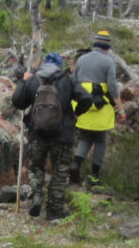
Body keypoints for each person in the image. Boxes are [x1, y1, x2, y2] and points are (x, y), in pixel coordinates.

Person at [12, 52, 93, 221]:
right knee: (60, 170)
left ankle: (36, 196)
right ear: (60, 66)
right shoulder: (68, 79)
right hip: (62, 134)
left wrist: (23, 81)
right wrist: (76, 114)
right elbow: (86, 98)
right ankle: (54, 209)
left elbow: (18, 101)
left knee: (36, 168)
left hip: (37, 133)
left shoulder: (33, 79)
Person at [71, 30, 125, 186]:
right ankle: (94, 176)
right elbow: (112, 87)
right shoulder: (108, 62)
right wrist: (120, 109)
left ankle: (76, 164)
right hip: (101, 109)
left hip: (83, 108)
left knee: (85, 138)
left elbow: (74, 82)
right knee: (101, 141)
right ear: (107, 47)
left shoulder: (81, 60)